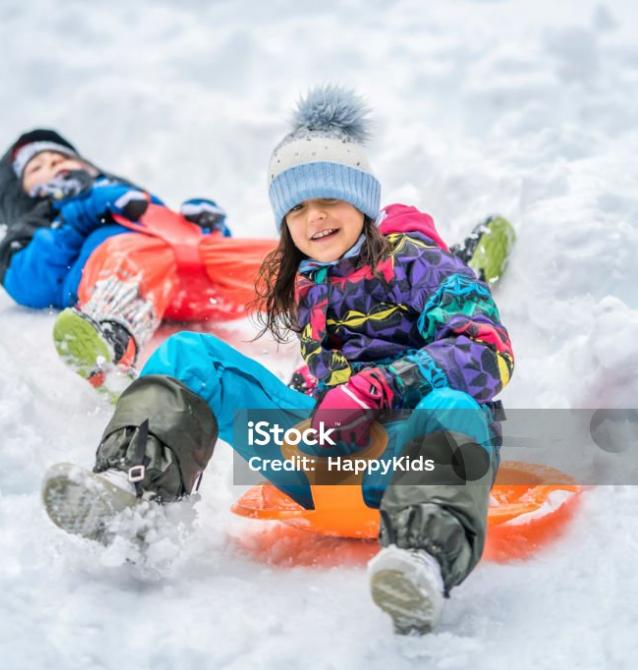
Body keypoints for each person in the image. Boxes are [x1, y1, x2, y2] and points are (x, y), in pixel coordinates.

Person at [40, 86, 515, 634]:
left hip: (410, 456)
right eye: (297, 208)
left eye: (329, 199)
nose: (315, 218)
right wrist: (316, 401)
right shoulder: (308, 282)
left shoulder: (419, 264)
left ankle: (422, 562)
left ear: (361, 201)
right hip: (326, 462)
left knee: (456, 407)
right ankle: (135, 497)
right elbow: (325, 366)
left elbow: (487, 351)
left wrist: (375, 389)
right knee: (187, 355)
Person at [0, 130, 276, 396]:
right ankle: (111, 345)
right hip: (130, 285)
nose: (54, 164)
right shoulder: (42, 218)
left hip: (190, 275)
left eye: (61, 157)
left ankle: (305, 290)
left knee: (265, 258)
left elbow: (182, 238)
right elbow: (28, 280)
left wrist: (206, 227)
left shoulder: (129, 198)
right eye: (37, 168)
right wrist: (81, 212)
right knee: (124, 251)